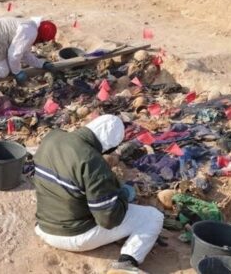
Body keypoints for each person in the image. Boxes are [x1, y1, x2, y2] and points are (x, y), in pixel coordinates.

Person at [33, 114, 164, 274]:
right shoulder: (92, 161)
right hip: (73, 236)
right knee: (153, 217)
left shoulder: (52, 138)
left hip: (43, 227)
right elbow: (108, 219)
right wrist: (122, 195)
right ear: (107, 146)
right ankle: (127, 262)